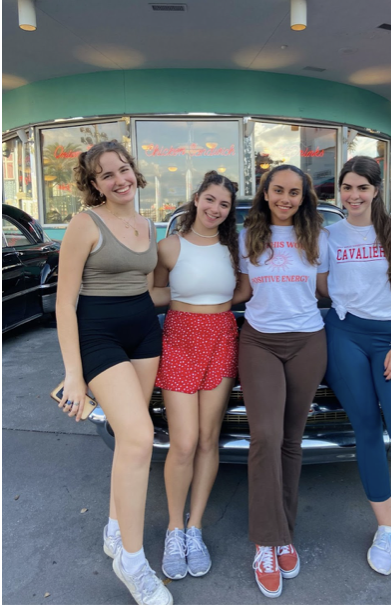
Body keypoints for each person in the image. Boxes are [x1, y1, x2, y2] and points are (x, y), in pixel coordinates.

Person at [55, 140, 173, 605]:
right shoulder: (85, 224)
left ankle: (114, 527)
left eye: (123, 169)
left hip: (144, 333)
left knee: (129, 440)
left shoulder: (149, 224)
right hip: (98, 335)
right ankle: (132, 559)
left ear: (134, 172)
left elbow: (147, 291)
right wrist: (73, 373)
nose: (119, 179)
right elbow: (64, 303)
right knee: (142, 437)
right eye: (106, 175)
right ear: (94, 184)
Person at [320, 156, 391, 585]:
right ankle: (386, 529)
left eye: (361, 188)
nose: (353, 196)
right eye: (347, 188)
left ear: (375, 190)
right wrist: (348, 302)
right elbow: (322, 283)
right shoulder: (329, 235)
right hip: (345, 335)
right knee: (365, 428)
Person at [233, 164, 329, 599]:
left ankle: (284, 533)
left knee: (292, 440)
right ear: (265, 192)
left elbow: (330, 290)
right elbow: (237, 291)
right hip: (260, 342)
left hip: (308, 341)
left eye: (294, 192)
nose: (286, 198)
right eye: (278, 190)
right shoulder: (247, 236)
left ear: (304, 196)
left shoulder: (317, 238)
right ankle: (265, 543)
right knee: (265, 437)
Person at [152, 170, 239, 581]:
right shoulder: (169, 247)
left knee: (208, 438)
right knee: (183, 442)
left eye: (223, 204)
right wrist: (184, 294)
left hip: (222, 335)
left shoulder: (233, 248)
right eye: (210, 199)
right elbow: (150, 293)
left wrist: (214, 299)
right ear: (196, 198)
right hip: (180, 337)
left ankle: (194, 528)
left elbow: (243, 290)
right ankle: (173, 527)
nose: (215, 209)